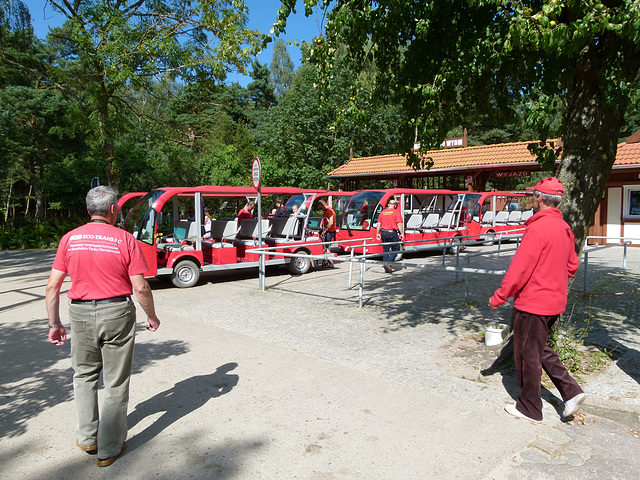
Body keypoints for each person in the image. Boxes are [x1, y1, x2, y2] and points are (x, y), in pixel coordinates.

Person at [45, 186, 161, 467]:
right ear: (113, 210)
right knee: (115, 381)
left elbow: (52, 286)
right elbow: (141, 288)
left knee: (83, 375)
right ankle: (108, 449)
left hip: (80, 314)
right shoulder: (125, 239)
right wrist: (152, 317)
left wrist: (54, 323)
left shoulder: (69, 239)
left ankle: (87, 438)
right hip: (117, 312)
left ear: (88, 210)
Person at [489, 177, 584, 423]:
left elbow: (519, 269)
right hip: (554, 301)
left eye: (534, 195)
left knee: (527, 356)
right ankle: (571, 392)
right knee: (540, 349)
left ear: (540, 198)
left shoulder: (538, 228)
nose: (532, 199)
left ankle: (530, 407)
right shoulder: (564, 227)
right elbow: (572, 265)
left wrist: (499, 297)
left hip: (533, 303)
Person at [376, 198, 404, 273]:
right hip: (392, 232)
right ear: (394, 205)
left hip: (383, 232)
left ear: (388, 205)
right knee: (396, 249)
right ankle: (388, 262)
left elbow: (378, 224)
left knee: (385, 250)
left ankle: (386, 268)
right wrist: (402, 233)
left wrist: (378, 233)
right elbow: (399, 224)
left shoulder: (382, 212)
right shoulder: (396, 212)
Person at [318, 199, 336, 267]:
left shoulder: (329, 211)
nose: (320, 209)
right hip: (328, 230)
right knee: (326, 246)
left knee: (326, 247)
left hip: (329, 231)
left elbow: (330, 223)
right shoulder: (327, 211)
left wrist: (325, 230)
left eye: (320, 208)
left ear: (323, 205)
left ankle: (331, 262)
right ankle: (329, 262)